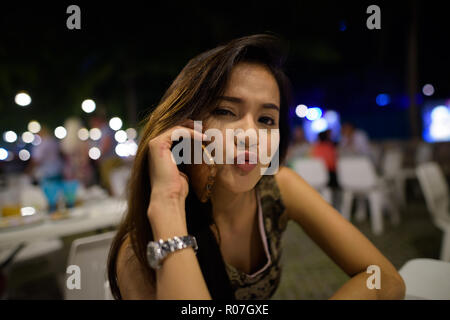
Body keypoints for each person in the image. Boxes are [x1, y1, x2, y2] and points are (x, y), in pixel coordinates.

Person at [107, 34, 405, 300]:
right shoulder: (139, 253)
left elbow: (385, 280)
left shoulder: (278, 187)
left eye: (266, 119)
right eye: (225, 111)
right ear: (185, 129)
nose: (250, 135)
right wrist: (168, 205)